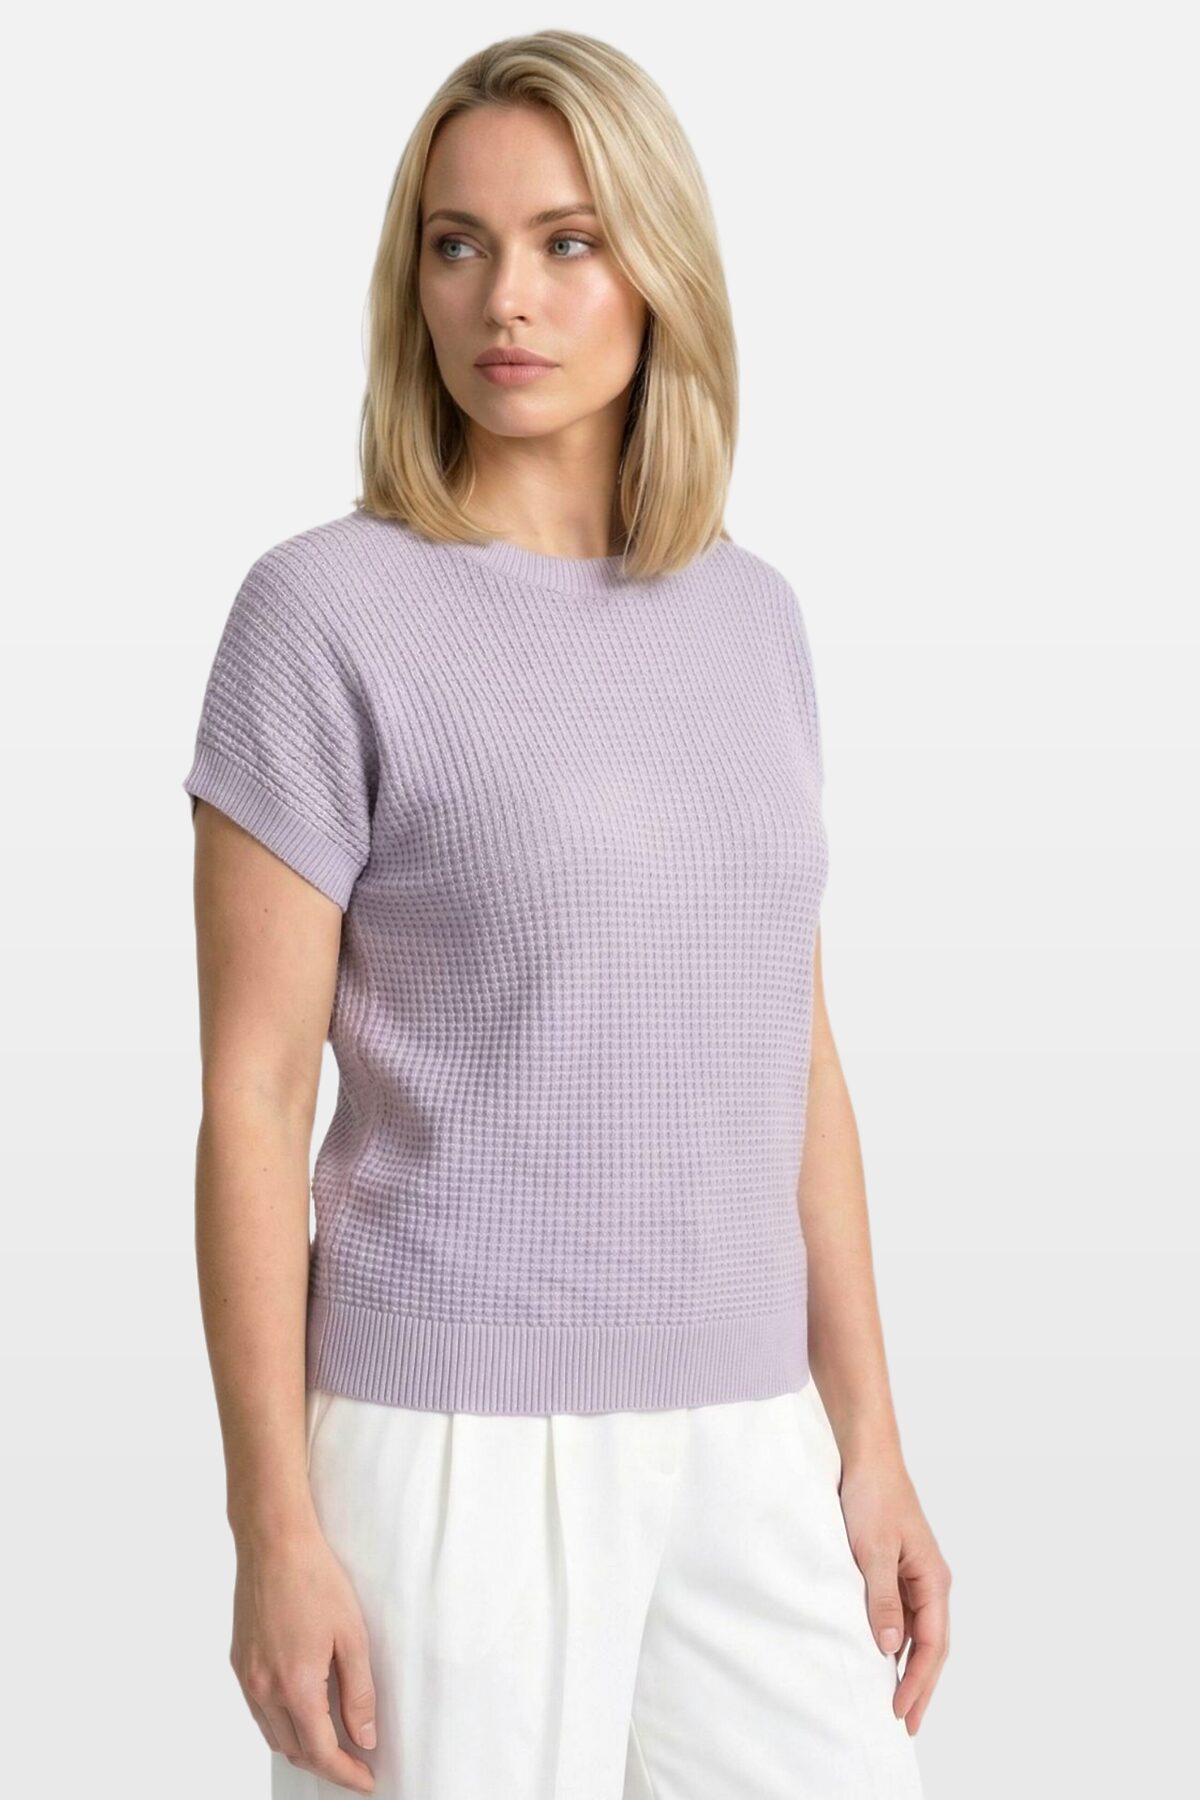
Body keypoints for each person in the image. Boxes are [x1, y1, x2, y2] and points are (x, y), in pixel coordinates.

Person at [182, 29, 950, 1800]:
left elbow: (794, 1057)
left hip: (750, 1436)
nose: (504, 299)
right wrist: (272, 1524)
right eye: (456, 245)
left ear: (659, 268)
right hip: (452, 1443)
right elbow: (252, 1100)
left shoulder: (752, 617)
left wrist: (872, 1442)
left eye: (567, 241)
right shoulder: (323, 615)